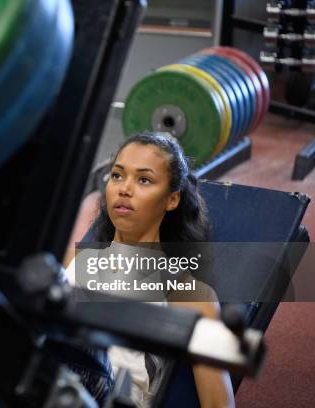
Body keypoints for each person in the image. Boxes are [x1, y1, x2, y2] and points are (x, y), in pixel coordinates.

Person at [63, 131, 234, 407]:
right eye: (117, 175)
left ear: (172, 199)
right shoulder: (72, 261)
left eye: (144, 180)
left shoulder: (190, 295)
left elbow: (219, 404)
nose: (124, 189)